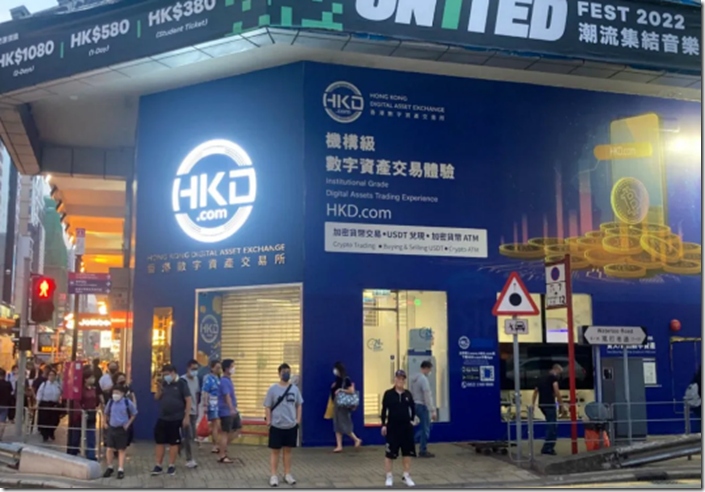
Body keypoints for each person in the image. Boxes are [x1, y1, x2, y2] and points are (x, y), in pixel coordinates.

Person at [264, 363, 303, 487]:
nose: (286, 374)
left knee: (288, 451)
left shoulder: (294, 389)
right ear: (279, 373)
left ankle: (287, 474)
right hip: (276, 425)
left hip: (290, 425)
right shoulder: (273, 389)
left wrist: (297, 420)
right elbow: (267, 406)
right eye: (284, 372)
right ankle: (273, 475)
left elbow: (299, 405)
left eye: (288, 371)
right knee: (275, 451)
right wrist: (269, 420)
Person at [152, 364, 191, 476]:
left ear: (173, 373)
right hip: (163, 417)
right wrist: (159, 390)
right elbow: (156, 398)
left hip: (176, 418)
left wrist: (186, 416)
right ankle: (158, 465)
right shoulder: (164, 383)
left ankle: (171, 465)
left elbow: (188, 400)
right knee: (159, 441)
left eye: (167, 374)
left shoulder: (182, 383)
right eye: (164, 375)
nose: (165, 377)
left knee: (173, 442)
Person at [381, 370, 416, 488]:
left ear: (404, 380)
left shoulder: (408, 394)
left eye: (402, 379)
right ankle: (389, 476)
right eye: (398, 378)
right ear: (394, 379)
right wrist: (383, 424)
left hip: (406, 428)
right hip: (392, 427)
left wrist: (412, 420)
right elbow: (384, 410)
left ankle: (406, 475)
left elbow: (413, 408)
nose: (400, 381)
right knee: (389, 453)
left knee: (407, 452)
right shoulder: (388, 394)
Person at [103, 384, 138, 480]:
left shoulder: (127, 402)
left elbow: (134, 413)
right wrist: (104, 422)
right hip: (112, 428)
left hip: (122, 429)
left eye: (117, 393)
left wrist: (128, 424)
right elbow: (105, 413)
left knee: (121, 449)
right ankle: (109, 467)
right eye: (114, 392)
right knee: (109, 448)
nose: (115, 395)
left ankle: (120, 469)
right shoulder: (111, 402)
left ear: (122, 394)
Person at [67, 366, 101, 460]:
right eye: (91, 377)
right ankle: (73, 453)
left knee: (91, 436)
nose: (93, 379)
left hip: (91, 414)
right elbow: (76, 402)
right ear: (86, 379)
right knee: (76, 436)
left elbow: (95, 400)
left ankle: (91, 455)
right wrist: (81, 411)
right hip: (80, 416)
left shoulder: (93, 389)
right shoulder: (80, 390)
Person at [531, 364, 565, 456]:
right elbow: (557, 392)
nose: (559, 376)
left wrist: (533, 404)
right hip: (550, 404)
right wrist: (561, 405)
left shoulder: (541, 378)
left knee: (550, 424)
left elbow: (535, 392)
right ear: (556, 370)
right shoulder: (553, 378)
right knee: (552, 427)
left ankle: (547, 446)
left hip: (542, 404)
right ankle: (548, 447)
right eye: (560, 373)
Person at [331, 361, 361, 453]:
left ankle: (356, 439)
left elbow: (351, 390)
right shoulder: (338, 379)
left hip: (343, 405)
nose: (334, 371)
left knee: (344, 423)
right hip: (337, 404)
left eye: (336, 369)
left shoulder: (346, 379)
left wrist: (340, 390)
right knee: (337, 424)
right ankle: (339, 445)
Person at [217, 359, 241, 464]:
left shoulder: (228, 380)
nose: (233, 368)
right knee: (225, 433)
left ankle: (222, 447)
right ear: (226, 368)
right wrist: (231, 409)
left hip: (231, 410)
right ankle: (222, 455)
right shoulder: (224, 381)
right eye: (232, 366)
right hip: (226, 411)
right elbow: (227, 396)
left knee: (237, 429)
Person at [410, 360, 436, 458]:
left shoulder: (414, 379)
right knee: (425, 429)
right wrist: (432, 409)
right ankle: (423, 450)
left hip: (415, 405)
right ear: (426, 368)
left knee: (422, 428)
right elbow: (427, 395)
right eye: (430, 370)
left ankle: (410, 444)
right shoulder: (423, 379)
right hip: (422, 406)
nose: (430, 372)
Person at [180, 359, 200, 468]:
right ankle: (189, 459)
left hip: (194, 411)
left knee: (191, 436)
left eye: (196, 369)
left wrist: (197, 409)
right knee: (189, 435)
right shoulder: (182, 380)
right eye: (193, 369)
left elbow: (196, 394)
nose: (194, 371)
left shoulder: (196, 379)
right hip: (185, 412)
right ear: (188, 369)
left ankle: (179, 446)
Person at [201, 360, 222, 454]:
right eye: (217, 368)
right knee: (216, 424)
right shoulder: (208, 378)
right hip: (212, 404)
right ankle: (215, 444)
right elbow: (205, 392)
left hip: (219, 403)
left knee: (216, 425)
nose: (218, 369)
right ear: (212, 368)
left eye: (219, 368)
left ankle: (205, 438)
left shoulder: (218, 378)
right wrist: (205, 405)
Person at [36, 369, 62, 442]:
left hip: (54, 404)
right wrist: (37, 404)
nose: (52, 377)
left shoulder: (57, 385)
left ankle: (51, 432)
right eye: (50, 375)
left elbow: (61, 392)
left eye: (53, 375)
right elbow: (39, 393)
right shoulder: (44, 384)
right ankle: (45, 435)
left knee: (55, 420)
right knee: (44, 420)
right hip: (45, 403)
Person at [113, 372, 137, 447]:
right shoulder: (114, 389)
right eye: (120, 379)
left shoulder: (128, 388)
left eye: (123, 378)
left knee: (129, 430)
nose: (122, 380)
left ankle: (125, 444)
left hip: (128, 411)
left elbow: (133, 396)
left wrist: (134, 406)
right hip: (118, 412)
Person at [0, 369, 13, 439]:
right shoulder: (8, 384)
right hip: (5, 404)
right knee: (2, 421)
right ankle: (0, 435)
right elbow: (11, 393)